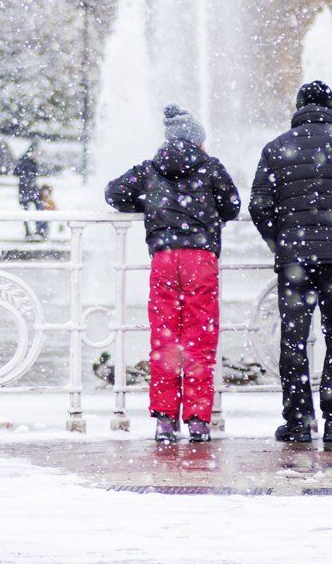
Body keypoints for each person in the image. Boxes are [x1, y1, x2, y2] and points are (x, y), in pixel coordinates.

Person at [249, 81, 332, 445]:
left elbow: (259, 205)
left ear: (299, 108)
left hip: (294, 260)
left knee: (292, 340)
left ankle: (297, 422)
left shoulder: (276, 148)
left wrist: (280, 243)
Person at [105, 104, 240, 443]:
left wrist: (150, 206)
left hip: (164, 258)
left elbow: (114, 193)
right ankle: (197, 420)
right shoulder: (210, 167)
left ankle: (165, 420)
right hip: (200, 259)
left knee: (165, 337)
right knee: (200, 339)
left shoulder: (151, 168)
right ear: (197, 140)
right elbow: (232, 206)